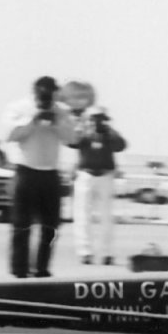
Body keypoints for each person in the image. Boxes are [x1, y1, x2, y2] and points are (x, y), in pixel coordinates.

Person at [2, 76, 78, 278]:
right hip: (26, 171)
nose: (46, 100)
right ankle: (19, 270)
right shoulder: (19, 107)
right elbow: (9, 134)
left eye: (51, 95)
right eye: (42, 95)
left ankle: (42, 268)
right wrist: (32, 119)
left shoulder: (62, 111)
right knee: (21, 224)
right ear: (34, 92)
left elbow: (72, 138)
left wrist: (57, 124)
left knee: (51, 226)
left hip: (50, 174)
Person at [68, 105, 127, 265]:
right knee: (82, 215)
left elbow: (121, 145)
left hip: (105, 176)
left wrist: (108, 131)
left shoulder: (109, 134)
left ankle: (107, 253)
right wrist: (81, 127)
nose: (97, 122)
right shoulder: (83, 133)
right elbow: (70, 141)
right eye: (94, 118)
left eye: (100, 118)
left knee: (106, 216)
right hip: (86, 175)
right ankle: (84, 251)